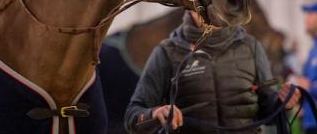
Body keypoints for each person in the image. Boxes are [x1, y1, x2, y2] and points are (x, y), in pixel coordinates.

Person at [124, 10, 301, 134]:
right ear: (188, 4)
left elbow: (268, 111)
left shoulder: (251, 47)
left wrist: (282, 103)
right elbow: (132, 117)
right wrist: (154, 114)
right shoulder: (166, 52)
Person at [297, 1, 317, 134]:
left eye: (311, 14)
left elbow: (309, 84)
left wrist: (309, 86)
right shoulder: (312, 50)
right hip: (310, 122)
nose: (306, 19)